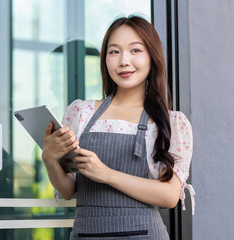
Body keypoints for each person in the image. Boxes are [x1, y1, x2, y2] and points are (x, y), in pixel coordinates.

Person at [42, 15, 194, 239]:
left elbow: (169, 195)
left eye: (135, 50)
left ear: (152, 57)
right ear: (105, 59)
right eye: (114, 51)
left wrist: (106, 174)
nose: (123, 60)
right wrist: (50, 159)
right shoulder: (81, 112)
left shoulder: (172, 123)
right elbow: (68, 190)